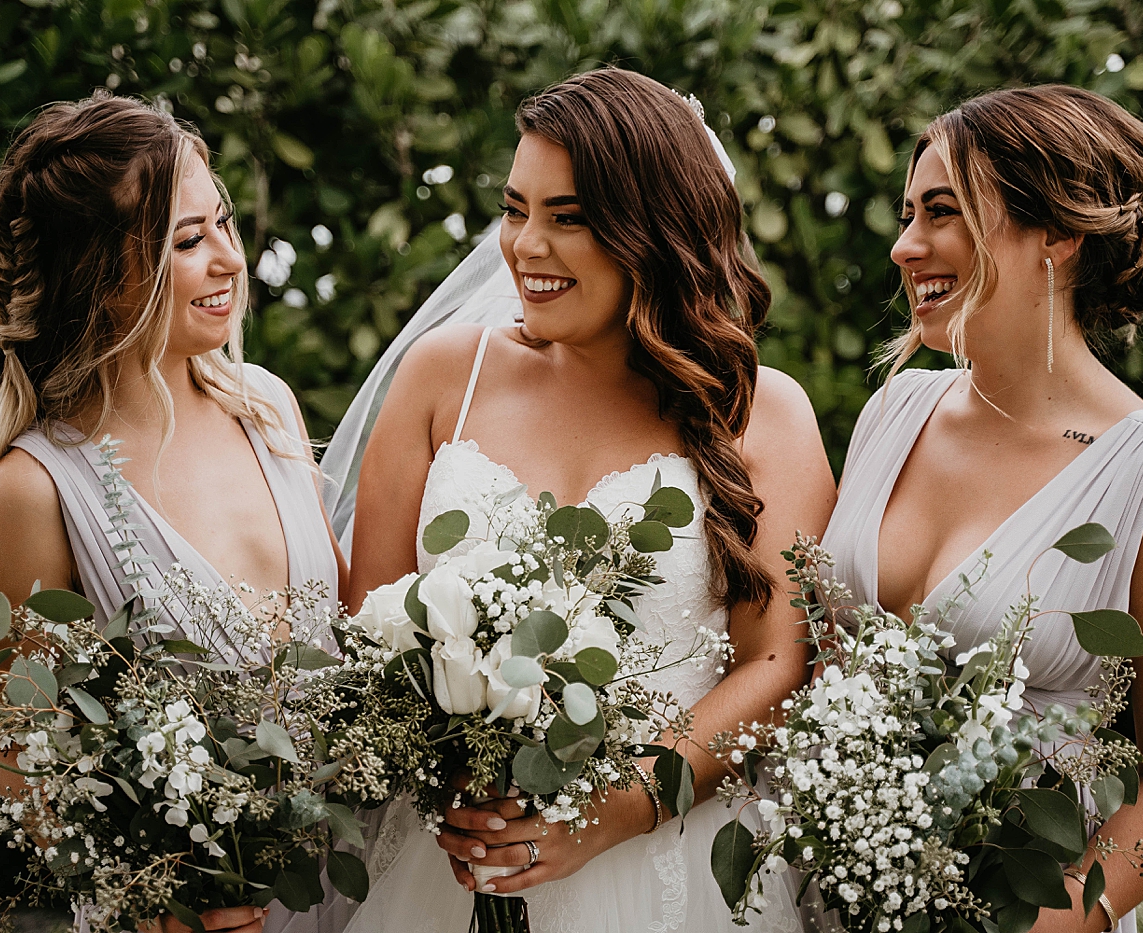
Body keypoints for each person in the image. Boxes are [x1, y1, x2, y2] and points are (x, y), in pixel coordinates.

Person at [328, 68, 837, 931]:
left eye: (568, 218)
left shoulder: (762, 413)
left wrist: (613, 810)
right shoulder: (443, 377)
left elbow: (778, 666)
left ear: (654, 230)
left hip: (667, 870)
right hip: (450, 868)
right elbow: (368, 627)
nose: (526, 245)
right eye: (514, 207)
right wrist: (460, 768)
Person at [820, 85, 1143, 932]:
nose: (906, 246)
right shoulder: (891, 412)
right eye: (907, 214)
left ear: (1057, 232)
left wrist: (1053, 919)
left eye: (941, 212)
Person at [0, 94, 348, 933]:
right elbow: (28, 783)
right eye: (187, 241)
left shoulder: (268, 408)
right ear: (96, 272)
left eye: (225, 224)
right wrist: (163, 897)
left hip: (352, 890)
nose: (230, 261)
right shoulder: (34, 493)